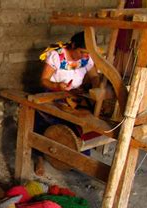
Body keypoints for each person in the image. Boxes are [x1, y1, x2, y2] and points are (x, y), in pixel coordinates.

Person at [35, 32, 100, 175]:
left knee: (81, 122)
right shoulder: (57, 56)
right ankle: (39, 157)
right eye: (82, 51)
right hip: (52, 94)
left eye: (87, 53)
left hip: (73, 95)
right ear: (73, 45)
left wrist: (97, 89)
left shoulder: (86, 58)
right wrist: (57, 86)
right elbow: (44, 80)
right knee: (45, 124)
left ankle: (76, 158)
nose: (84, 56)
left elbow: (94, 77)